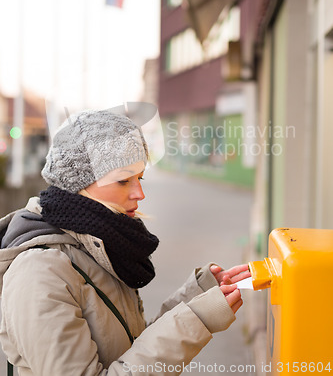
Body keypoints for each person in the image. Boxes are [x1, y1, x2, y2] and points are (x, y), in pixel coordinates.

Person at [0, 109, 251, 376]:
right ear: (78, 182)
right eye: (123, 180)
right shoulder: (40, 271)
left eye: (139, 178)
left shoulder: (100, 244)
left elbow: (131, 350)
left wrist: (195, 298)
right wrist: (196, 320)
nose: (139, 193)